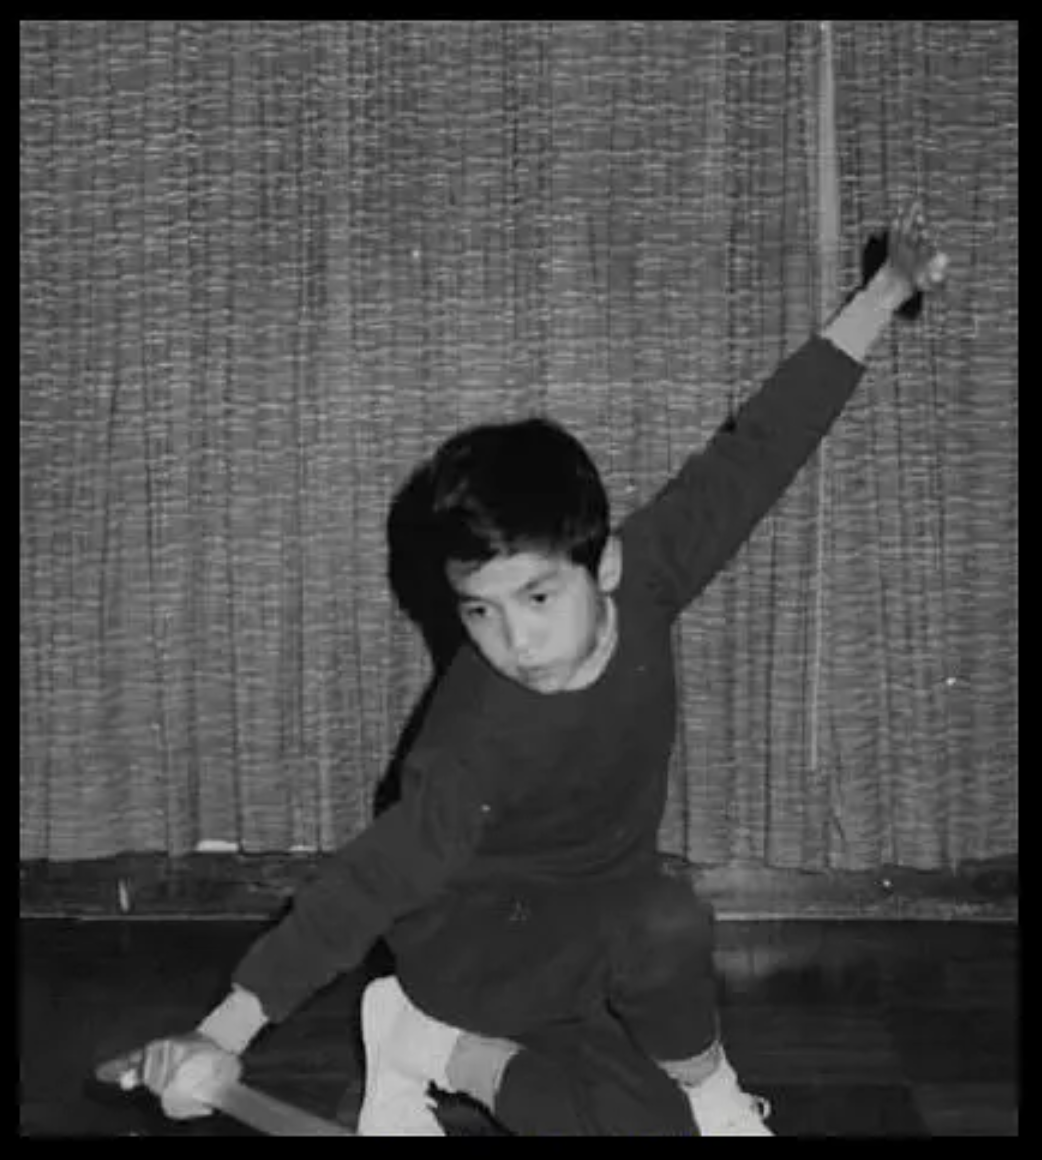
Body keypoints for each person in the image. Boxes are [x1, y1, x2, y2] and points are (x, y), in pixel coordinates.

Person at [126, 205, 948, 1136]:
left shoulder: (652, 574)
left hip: (597, 940)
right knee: (656, 930)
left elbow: (759, 450)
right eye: (480, 611)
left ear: (605, 567)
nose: (513, 642)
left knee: (649, 1051)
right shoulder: (476, 735)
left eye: (538, 598)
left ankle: (478, 1056)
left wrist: (886, 290)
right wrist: (220, 1030)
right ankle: (472, 1041)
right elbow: (371, 881)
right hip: (475, 948)